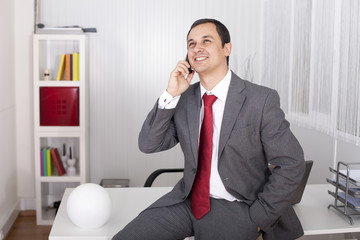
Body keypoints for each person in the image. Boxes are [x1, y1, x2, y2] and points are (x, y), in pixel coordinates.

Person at [113, 18, 305, 240]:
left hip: (238, 206)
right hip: (187, 200)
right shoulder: (184, 99)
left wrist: (259, 217)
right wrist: (171, 94)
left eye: (206, 40)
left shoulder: (260, 99)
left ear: (227, 48)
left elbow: (291, 163)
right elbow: (148, 144)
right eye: (191, 44)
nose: (197, 48)